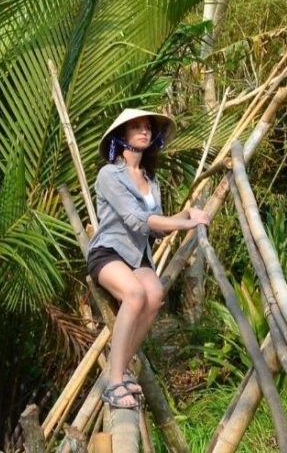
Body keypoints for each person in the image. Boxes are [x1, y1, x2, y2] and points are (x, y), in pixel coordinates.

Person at [86, 108, 211, 409]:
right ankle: (114, 381)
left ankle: (122, 366)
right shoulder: (109, 174)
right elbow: (136, 220)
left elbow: (155, 227)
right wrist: (184, 223)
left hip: (138, 255)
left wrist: (189, 214)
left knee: (154, 296)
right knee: (134, 293)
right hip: (109, 253)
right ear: (123, 136)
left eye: (147, 128)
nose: (144, 132)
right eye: (136, 127)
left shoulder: (149, 180)